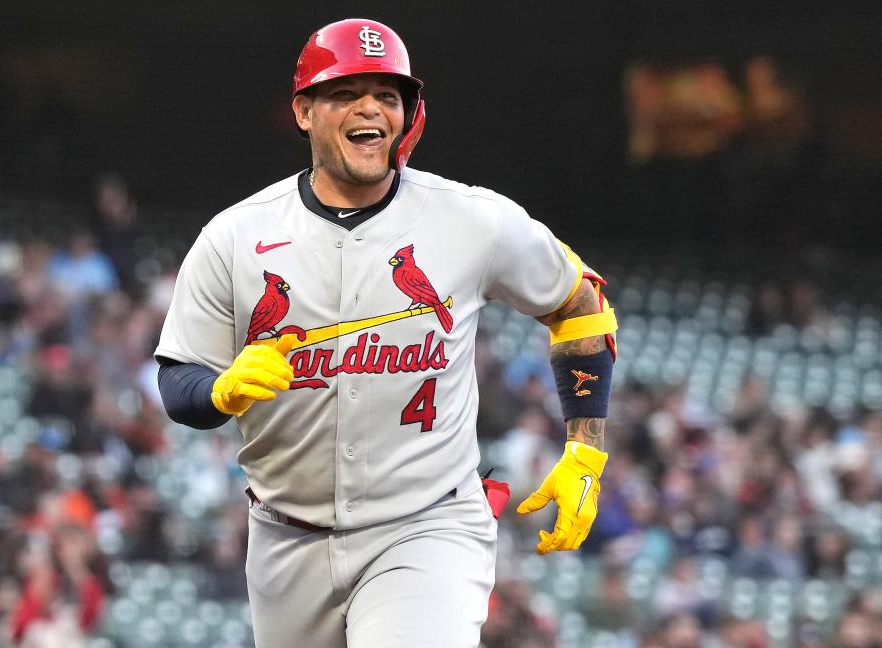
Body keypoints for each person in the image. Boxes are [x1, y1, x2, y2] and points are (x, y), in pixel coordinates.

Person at [155, 18, 617, 648]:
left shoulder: (472, 219)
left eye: (388, 94)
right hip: (285, 539)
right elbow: (179, 381)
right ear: (303, 111)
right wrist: (220, 391)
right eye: (346, 92)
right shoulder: (235, 236)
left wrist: (584, 448)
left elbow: (580, 301)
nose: (371, 106)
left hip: (427, 524)